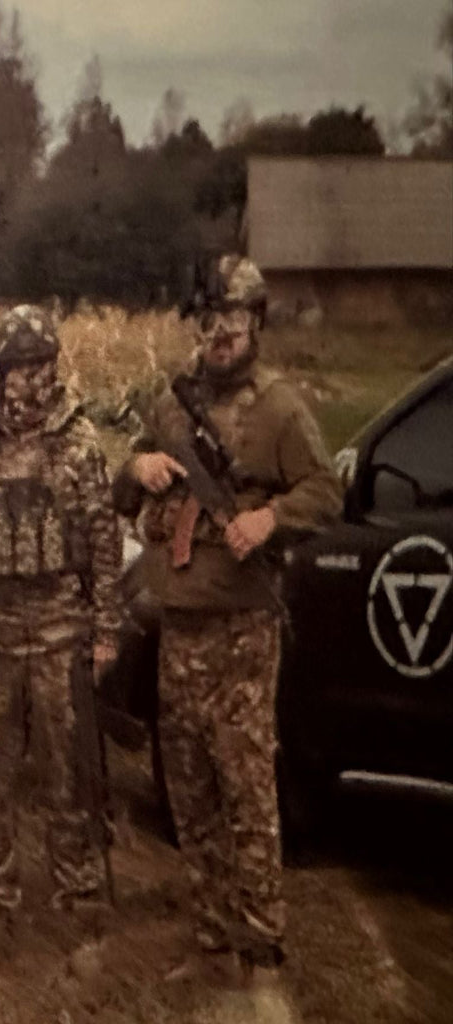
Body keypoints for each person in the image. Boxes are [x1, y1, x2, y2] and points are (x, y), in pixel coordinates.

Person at [112, 254, 342, 980]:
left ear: (255, 322)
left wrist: (271, 518)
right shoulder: (171, 405)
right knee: (189, 791)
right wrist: (138, 468)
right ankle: (212, 937)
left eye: (233, 319)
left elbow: (327, 490)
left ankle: (262, 947)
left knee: (246, 790)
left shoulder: (279, 408)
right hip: (178, 627)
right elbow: (127, 483)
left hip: (244, 630)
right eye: (209, 319)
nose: (220, 333)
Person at [0, 305, 123, 972]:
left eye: (40, 365)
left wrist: (106, 632)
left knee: (68, 779)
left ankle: (83, 912)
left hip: (58, 634)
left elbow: (104, 545)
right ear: (0, 373)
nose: (29, 380)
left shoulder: (79, 445)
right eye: (17, 368)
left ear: (56, 366)